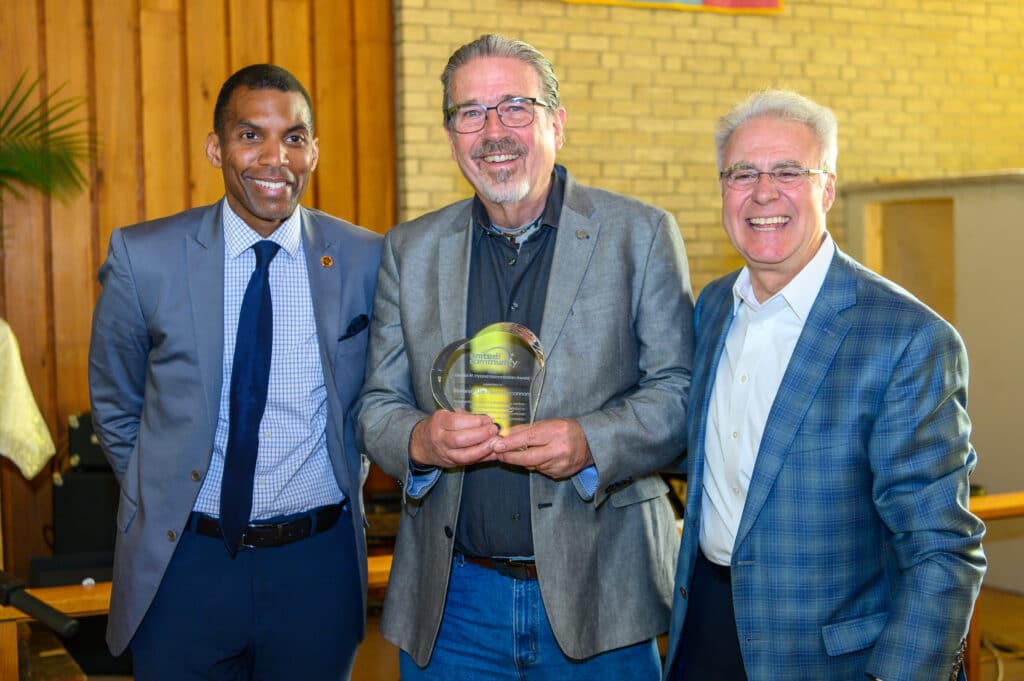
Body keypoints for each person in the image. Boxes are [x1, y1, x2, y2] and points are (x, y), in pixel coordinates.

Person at [355, 34, 693, 680]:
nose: (493, 131)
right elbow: (375, 406)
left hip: (602, 598)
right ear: (452, 137)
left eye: (515, 106)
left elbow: (680, 392)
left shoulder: (641, 235)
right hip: (453, 605)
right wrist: (422, 438)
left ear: (556, 123)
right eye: (470, 113)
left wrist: (590, 441)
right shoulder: (409, 250)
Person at [662, 89, 987, 681]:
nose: (764, 192)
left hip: (832, 660)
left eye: (789, 171)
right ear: (723, 189)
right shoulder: (712, 308)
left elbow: (942, 551)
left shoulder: (905, 338)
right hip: (703, 632)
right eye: (743, 173)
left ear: (828, 188)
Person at [88, 64, 382, 680]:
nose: (275, 159)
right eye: (251, 136)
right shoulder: (144, 258)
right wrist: (157, 490)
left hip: (317, 568)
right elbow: (115, 406)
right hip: (184, 565)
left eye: (295, 138)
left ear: (314, 150)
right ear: (216, 148)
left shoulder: (365, 258)